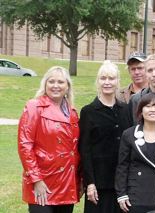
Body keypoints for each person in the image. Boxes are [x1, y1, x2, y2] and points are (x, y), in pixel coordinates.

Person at [18, 66, 82, 213]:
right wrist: (36, 180)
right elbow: (25, 145)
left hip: (66, 181)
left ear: (67, 86)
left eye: (60, 82)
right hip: (43, 181)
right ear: (45, 84)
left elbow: (75, 149)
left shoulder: (72, 112)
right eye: (51, 81)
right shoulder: (34, 106)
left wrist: (79, 181)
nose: (55, 86)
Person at [79, 60, 131, 213]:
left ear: (118, 82)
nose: (107, 82)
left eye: (111, 78)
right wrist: (90, 183)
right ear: (98, 82)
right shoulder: (88, 112)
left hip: (123, 182)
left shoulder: (126, 110)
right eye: (103, 78)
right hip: (99, 184)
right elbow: (85, 150)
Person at [115, 92, 155, 213]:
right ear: (141, 111)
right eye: (148, 106)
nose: (152, 110)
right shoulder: (129, 135)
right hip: (135, 196)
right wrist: (121, 194)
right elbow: (123, 166)